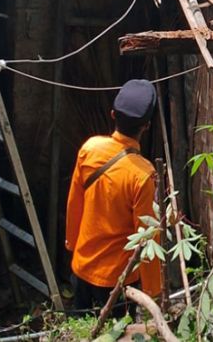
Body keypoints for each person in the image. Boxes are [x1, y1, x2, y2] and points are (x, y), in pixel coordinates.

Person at [65, 79, 162, 313]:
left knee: (80, 330)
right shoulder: (143, 174)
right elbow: (147, 236)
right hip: (119, 281)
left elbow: (74, 203)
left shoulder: (90, 148)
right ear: (146, 126)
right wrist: (153, 290)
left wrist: (72, 244)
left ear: (112, 114)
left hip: (82, 267)